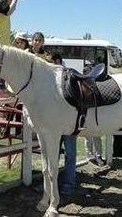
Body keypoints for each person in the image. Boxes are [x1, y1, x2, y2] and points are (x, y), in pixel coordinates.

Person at [52, 53, 78, 195]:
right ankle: (54, 183)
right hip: (55, 125)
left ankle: (69, 183)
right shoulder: (49, 85)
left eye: (59, 63)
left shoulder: (69, 81)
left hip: (68, 124)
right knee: (54, 154)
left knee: (70, 153)